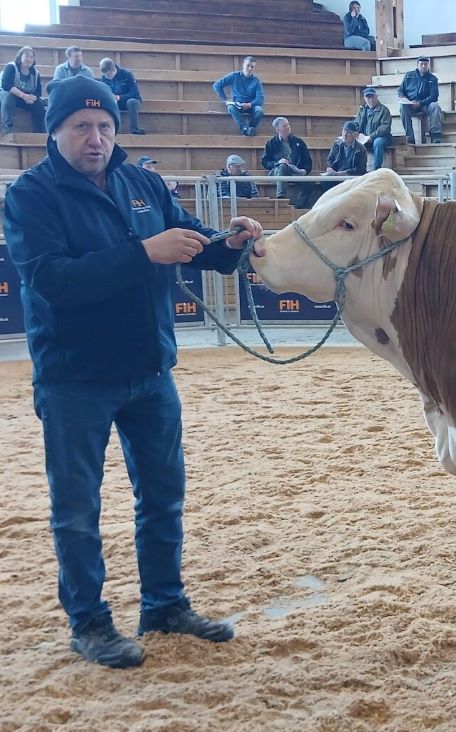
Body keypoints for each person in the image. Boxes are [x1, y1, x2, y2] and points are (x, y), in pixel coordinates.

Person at [2, 75, 263, 669]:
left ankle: (164, 605)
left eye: (104, 126)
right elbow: (52, 281)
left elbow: (194, 245)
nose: (95, 138)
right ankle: (89, 623)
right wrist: (145, 253)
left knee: (164, 497)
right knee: (76, 508)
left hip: (150, 371)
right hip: (74, 379)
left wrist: (232, 243)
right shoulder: (30, 196)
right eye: (81, 127)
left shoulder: (143, 182)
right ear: (56, 130)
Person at [261, 116, 313, 207]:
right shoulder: (271, 143)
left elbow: (307, 160)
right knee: (283, 166)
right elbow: (265, 162)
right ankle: (281, 199)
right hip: (276, 170)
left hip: (294, 170)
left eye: (288, 125)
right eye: (284, 126)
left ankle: (299, 207)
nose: (288, 127)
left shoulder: (299, 142)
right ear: (278, 129)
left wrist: (305, 170)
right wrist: (278, 162)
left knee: (309, 182)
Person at [212, 56, 265, 137]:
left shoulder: (256, 81)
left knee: (259, 111)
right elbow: (217, 85)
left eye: (252, 67)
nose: (250, 68)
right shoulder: (234, 76)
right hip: (237, 104)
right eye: (248, 65)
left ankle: (249, 129)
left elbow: (260, 99)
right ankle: (244, 128)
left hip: (250, 105)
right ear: (243, 65)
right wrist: (225, 99)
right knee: (230, 107)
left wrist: (249, 104)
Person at [398, 57, 443, 145]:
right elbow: (400, 91)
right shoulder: (409, 75)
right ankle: (410, 137)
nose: (423, 66)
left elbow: (434, 96)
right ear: (417, 65)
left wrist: (421, 103)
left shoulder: (433, 79)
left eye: (425, 64)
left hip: (425, 105)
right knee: (402, 108)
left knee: (435, 106)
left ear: (428, 66)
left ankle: (435, 135)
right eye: (421, 64)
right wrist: (406, 100)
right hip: (410, 104)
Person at [1, 46, 45, 134]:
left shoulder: (35, 73)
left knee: (39, 103)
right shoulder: (11, 67)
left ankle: (39, 131)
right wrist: (23, 95)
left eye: (31, 57)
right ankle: (7, 125)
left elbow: (38, 92)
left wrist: (33, 98)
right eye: (27, 56)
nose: (29, 59)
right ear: (20, 57)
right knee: (9, 96)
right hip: (8, 94)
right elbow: (6, 85)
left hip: (25, 98)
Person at [97, 58, 145, 135]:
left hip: (130, 101)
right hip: (115, 102)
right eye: (105, 75)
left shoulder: (127, 74)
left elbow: (135, 93)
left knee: (131, 102)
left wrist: (120, 97)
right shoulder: (104, 78)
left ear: (113, 70)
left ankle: (134, 129)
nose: (107, 77)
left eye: (108, 74)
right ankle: (114, 130)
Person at [354, 86, 392, 171]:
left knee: (378, 142)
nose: (370, 100)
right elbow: (356, 123)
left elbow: (385, 127)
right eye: (368, 97)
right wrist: (355, 132)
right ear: (364, 98)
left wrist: (372, 137)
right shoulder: (362, 110)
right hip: (364, 138)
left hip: (382, 137)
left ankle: (376, 169)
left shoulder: (384, 110)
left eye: (372, 97)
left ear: (376, 96)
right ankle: (357, 169)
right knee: (351, 141)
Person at [323, 120, 368, 185]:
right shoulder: (336, 145)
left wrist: (345, 172)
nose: (345, 135)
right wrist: (329, 168)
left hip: (351, 176)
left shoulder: (361, 149)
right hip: (336, 174)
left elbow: (361, 169)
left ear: (354, 135)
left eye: (348, 133)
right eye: (344, 131)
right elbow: (330, 160)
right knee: (325, 181)